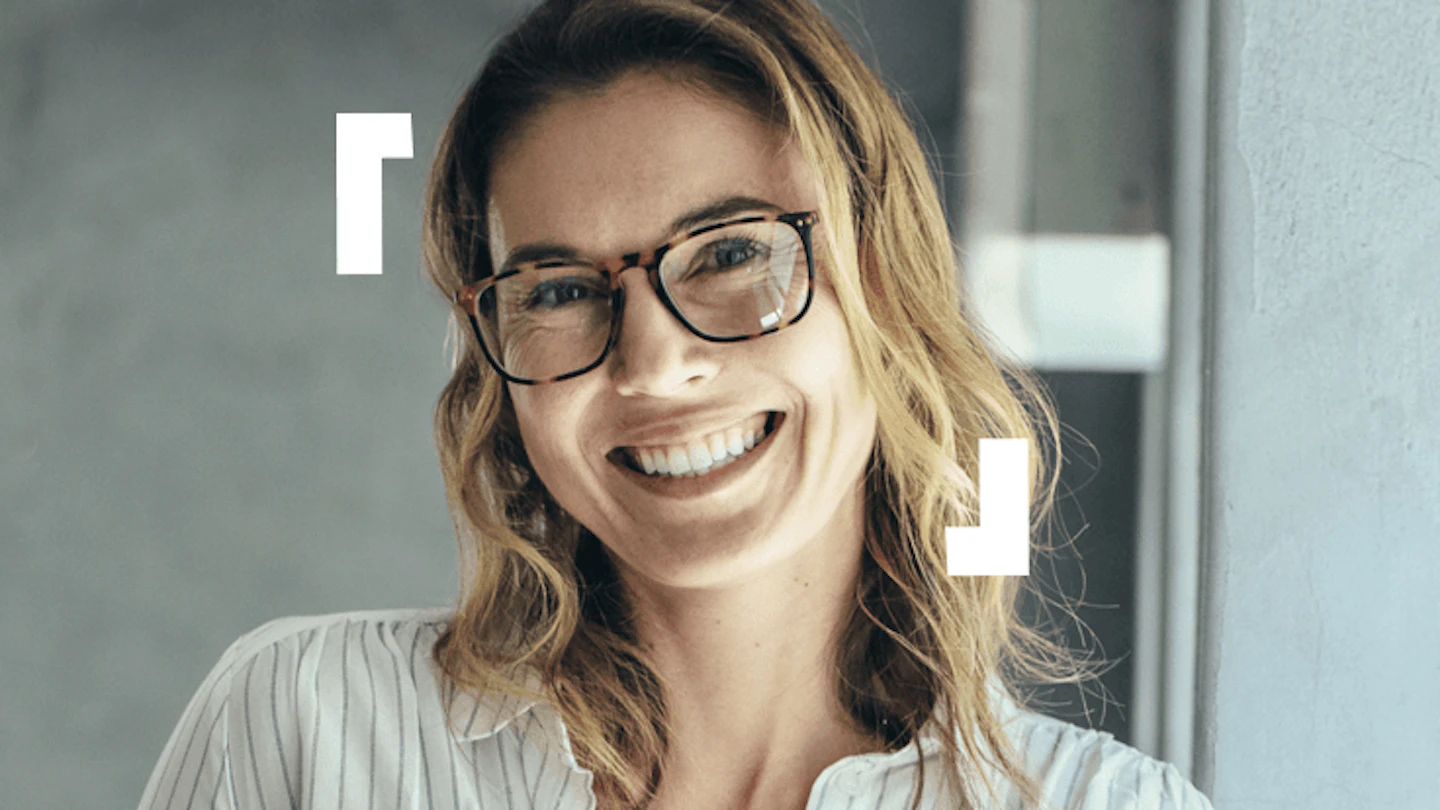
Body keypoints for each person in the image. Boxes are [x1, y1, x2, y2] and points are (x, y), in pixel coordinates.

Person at [139, 1, 1216, 808]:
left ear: (883, 289)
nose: (652, 366)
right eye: (559, 290)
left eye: (732, 252)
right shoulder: (301, 726)